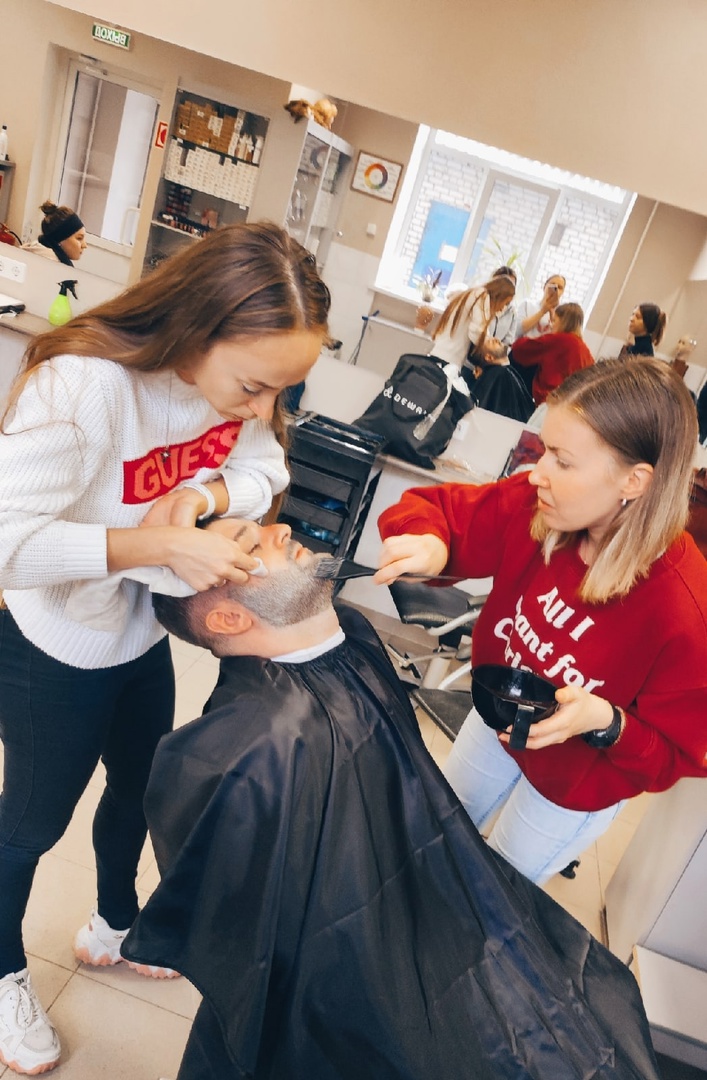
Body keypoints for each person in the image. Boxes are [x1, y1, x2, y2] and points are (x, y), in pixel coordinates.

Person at [121, 517, 660, 1080]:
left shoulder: (351, 635)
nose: (280, 529)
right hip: (351, 969)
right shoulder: (253, 750)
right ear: (229, 619)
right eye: (252, 546)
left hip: (430, 898)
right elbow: (250, 936)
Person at [0, 221, 330, 1075]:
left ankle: (115, 922)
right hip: (54, 642)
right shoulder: (85, 387)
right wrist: (155, 545)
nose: (259, 409)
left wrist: (205, 493)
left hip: (134, 629)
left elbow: (267, 466)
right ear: (196, 325)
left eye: (278, 391)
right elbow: (6, 543)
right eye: (253, 386)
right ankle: (2, 972)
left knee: (140, 787)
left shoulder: (235, 396)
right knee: (30, 824)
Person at [377, 357, 707, 887]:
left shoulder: (686, 608)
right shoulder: (538, 504)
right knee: (427, 837)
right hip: (499, 719)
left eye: (563, 461)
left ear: (634, 480)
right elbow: (441, 511)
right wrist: (432, 543)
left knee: (493, 889)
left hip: (577, 779)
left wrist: (604, 720)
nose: (538, 473)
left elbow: (675, 755)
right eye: (544, 449)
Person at [429, 274, 516, 389]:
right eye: (505, 303)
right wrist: (492, 354)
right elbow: (476, 332)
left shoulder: (475, 294)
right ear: (499, 295)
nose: (502, 308)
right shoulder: (481, 296)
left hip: (445, 355)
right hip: (447, 358)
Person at [509, 301, 594, 404]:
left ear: (563, 321)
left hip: (549, 400)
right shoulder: (586, 351)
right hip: (570, 404)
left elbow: (519, 349)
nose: (551, 325)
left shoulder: (558, 340)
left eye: (554, 321)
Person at [23, 200, 87, 265]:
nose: (84, 245)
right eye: (79, 238)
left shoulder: (35, 252)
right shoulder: (49, 264)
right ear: (59, 240)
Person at [514, 273, 566, 339]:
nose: (556, 289)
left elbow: (559, 339)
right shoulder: (527, 304)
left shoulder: (563, 315)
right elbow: (518, 330)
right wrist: (542, 312)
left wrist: (552, 316)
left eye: (560, 287)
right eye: (553, 285)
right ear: (544, 286)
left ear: (563, 292)